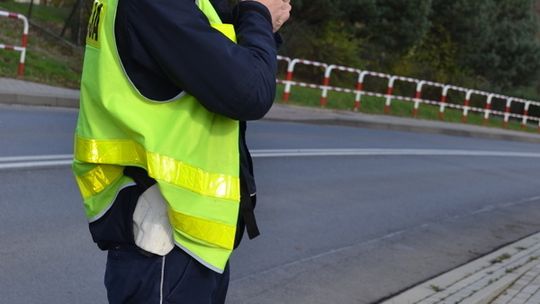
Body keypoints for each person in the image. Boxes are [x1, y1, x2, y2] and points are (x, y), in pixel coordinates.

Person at [72, 0, 291, 302]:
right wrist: (257, 13)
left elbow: (219, 51)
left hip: (183, 241)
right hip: (167, 236)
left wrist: (257, 18)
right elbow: (250, 89)